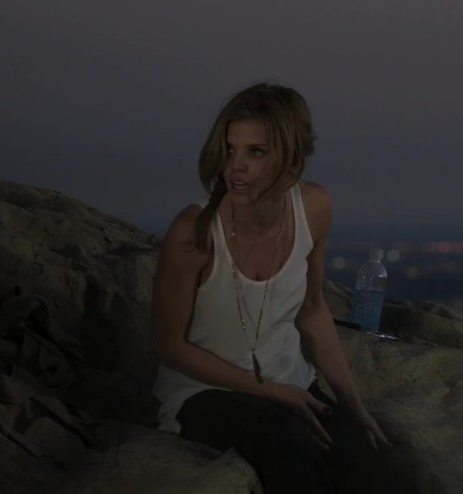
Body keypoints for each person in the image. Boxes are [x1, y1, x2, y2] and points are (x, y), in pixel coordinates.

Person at [152, 83, 398, 493]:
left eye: (256, 152)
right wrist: (268, 391)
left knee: (371, 466)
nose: (236, 167)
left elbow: (312, 309)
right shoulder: (194, 231)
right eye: (229, 149)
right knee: (286, 447)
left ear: (292, 159)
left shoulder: (314, 207)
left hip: (293, 385)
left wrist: (354, 409)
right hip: (206, 393)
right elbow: (169, 347)